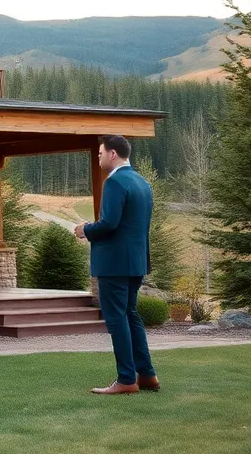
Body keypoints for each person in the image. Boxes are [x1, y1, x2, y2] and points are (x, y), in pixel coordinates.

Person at [75, 134, 158, 395]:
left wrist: (85, 229)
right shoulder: (143, 183)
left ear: (113, 154)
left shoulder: (114, 182)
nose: (98, 157)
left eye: (100, 153)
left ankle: (126, 379)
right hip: (136, 263)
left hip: (114, 265)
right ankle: (146, 375)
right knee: (131, 315)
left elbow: (109, 223)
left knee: (117, 318)